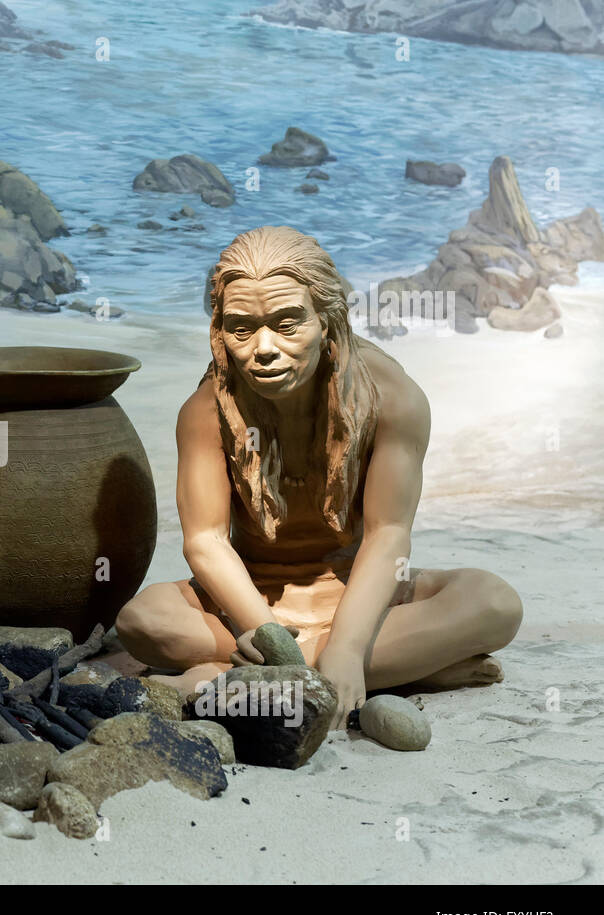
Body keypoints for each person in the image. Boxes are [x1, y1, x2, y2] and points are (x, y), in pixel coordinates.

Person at [116, 226, 521, 728]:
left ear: (327, 320)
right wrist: (267, 635)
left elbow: (388, 534)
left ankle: (234, 676)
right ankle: (400, 668)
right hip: (254, 599)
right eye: (242, 328)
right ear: (220, 330)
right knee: (142, 621)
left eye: (287, 323)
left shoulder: (390, 397)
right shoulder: (205, 412)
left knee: (494, 602)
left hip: (363, 597)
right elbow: (205, 542)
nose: (263, 348)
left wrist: (349, 644)